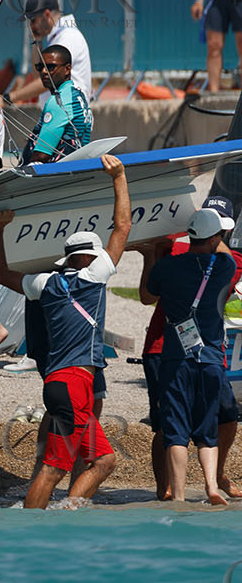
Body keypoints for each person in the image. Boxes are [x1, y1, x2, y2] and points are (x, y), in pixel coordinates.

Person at [0, 155, 133, 507]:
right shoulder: (92, 276)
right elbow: (123, 227)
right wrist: (119, 177)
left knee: (104, 461)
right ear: (86, 259)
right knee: (53, 469)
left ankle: (63, 518)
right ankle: (32, 526)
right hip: (73, 387)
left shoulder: (45, 284)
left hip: (63, 385)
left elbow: (0, 274)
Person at [145, 199, 242, 503]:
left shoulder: (169, 266)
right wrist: (218, 238)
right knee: (207, 427)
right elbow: (222, 253)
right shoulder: (226, 265)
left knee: (175, 429)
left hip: (176, 357)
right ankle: (212, 486)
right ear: (215, 238)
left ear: (189, 236)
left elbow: (148, 294)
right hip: (211, 358)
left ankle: (180, 496)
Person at [4, 0, 93, 103]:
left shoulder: (67, 38)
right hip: (62, 113)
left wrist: (9, 98)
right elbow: (38, 76)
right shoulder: (58, 37)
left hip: (70, 113)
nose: (31, 27)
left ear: (46, 14)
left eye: (33, 21)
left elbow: (49, 80)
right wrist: (37, 42)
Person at [22, 46, 93, 164]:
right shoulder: (77, 94)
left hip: (56, 175)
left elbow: (42, 155)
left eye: (50, 67)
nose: (44, 72)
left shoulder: (58, 101)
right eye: (40, 67)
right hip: (75, 170)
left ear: (67, 69)